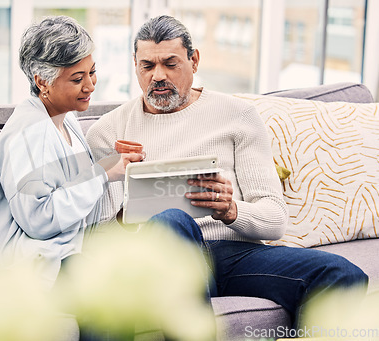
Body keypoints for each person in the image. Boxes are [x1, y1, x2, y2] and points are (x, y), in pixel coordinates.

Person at [86, 15, 368, 328]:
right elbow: (93, 242)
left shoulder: (238, 115)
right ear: (135, 64)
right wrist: (127, 216)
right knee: (172, 219)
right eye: (147, 66)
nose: (158, 76)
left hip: (231, 254)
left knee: (343, 274)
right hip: (154, 260)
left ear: (194, 60)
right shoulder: (106, 132)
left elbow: (274, 219)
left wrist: (231, 211)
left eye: (170, 63)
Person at [0, 16, 146, 290]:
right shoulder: (29, 133)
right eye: (77, 78)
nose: (90, 85)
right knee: (111, 282)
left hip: (57, 255)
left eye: (92, 72)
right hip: (20, 267)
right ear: (43, 82)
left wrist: (106, 159)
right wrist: (101, 173)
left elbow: (64, 179)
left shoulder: (65, 119)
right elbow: (39, 218)